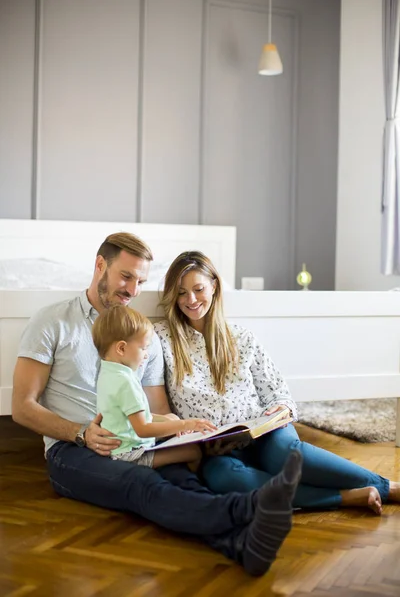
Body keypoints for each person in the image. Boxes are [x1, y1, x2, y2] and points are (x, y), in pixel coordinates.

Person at [11, 231, 303, 577]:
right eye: (126, 276)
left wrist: (193, 432)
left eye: (140, 281)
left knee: (185, 481)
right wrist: (80, 434)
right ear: (100, 265)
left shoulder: (140, 336)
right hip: (71, 452)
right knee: (143, 485)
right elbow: (22, 406)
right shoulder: (53, 321)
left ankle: (241, 546)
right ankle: (246, 508)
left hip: (135, 440)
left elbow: (156, 409)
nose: (133, 290)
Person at [155, 250, 400, 515]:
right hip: (216, 453)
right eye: (180, 292)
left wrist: (281, 409)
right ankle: (345, 497)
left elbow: (280, 394)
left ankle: (388, 487)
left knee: (287, 454)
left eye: (198, 289)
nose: (190, 300)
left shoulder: (241, 337)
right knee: (223, 480)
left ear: (214, 286)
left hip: (263, 434)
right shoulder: (162, 340)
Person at [92, 304, 217, 470]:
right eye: (143, 348)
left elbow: (132, 416)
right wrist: (188, 425)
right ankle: (187, 480)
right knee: (194, 452)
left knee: (172, 418)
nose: (146, 354)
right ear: (121, 348)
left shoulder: (108, 371)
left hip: (121, 445)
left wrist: (169, 420)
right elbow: (142, 429)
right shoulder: (126, 382)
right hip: (130, 454)